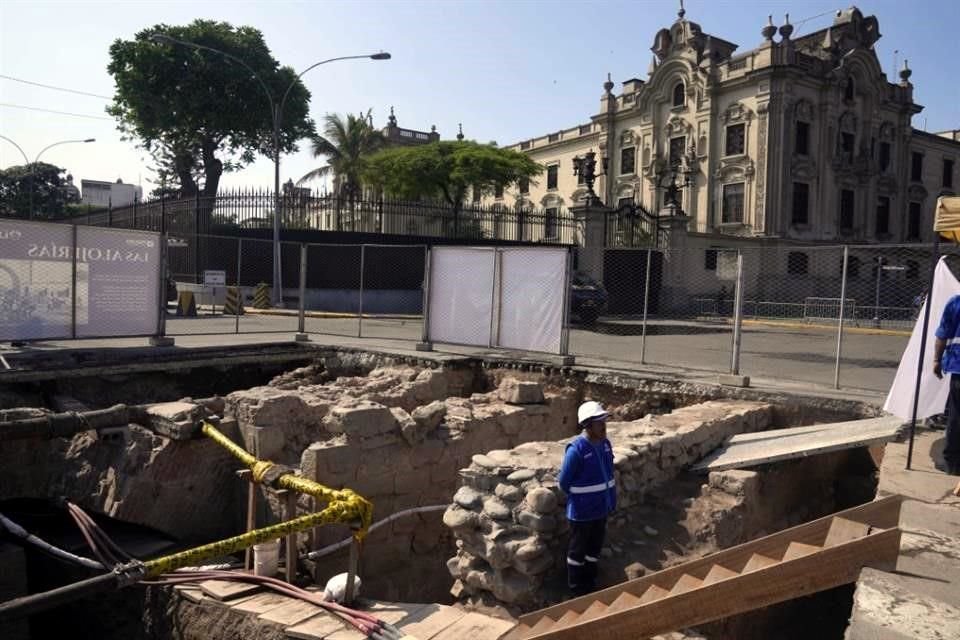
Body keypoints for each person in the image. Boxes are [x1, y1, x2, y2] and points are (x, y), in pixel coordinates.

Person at [558, 401, 616, 596]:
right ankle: (576, 590)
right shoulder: (576, 449)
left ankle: (590, 585)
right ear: (588, 425)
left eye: (604, 421)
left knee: (593, 550)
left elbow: (609, 474)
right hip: (582, 514)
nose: (604, 426)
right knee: (577, 553)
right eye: (599, 422)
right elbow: (564, 482)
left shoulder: (605, 445)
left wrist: (610, 501)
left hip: (601, 509)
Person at [932, 295, 960, 475]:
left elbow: (942, 335)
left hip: (959, 368)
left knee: (957, 415)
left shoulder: (956, 303)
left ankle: (953, 463)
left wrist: (936, 360)